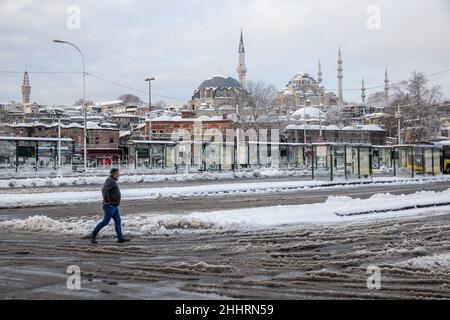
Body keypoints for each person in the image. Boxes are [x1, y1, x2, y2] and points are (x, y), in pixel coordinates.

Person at [89, 168, 130, 244]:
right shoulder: (110, 181)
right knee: (105, 221)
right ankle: (93, 234)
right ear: (113, 173)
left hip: (114, 205)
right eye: (117, 173)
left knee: (118, 221)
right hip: (110, 206)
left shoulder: (112, 180)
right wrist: (107, 201)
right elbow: (104, 190)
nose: (119, 174)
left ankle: (120, 238)